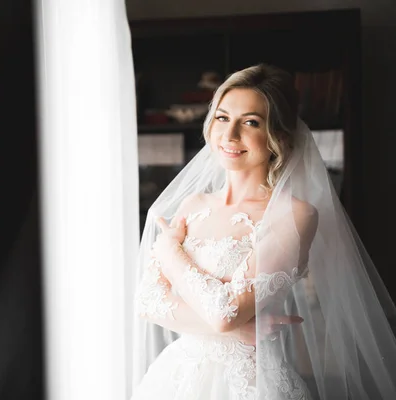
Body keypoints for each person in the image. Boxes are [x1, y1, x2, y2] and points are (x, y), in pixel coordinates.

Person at [131, 64, 396, 399]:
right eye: (223, 117)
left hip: (249, 384)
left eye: (251, 122)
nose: (230, 136)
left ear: (279, 137)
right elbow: (147, 301)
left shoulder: (294, 215)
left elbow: (225, 313)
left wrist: (171, 253)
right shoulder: (192, 205)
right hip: (177, 378)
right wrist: (241, 331)